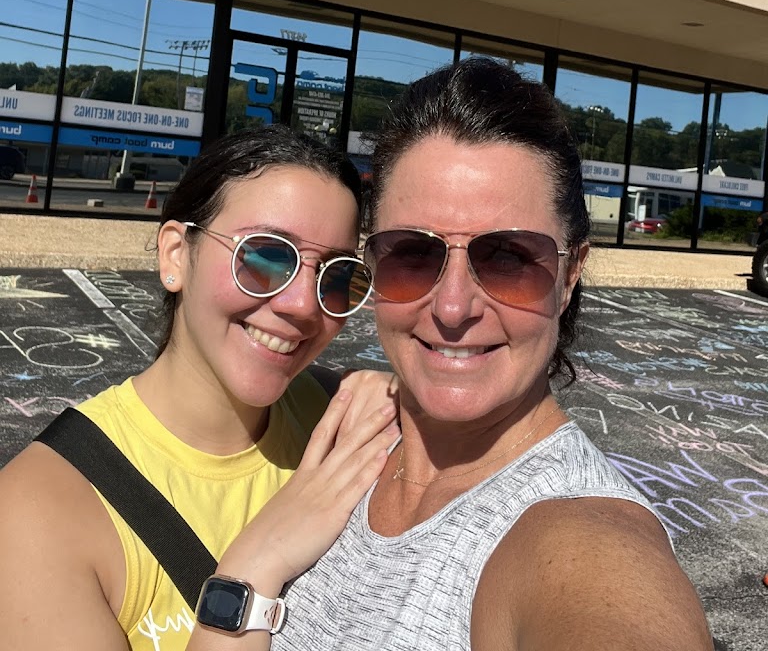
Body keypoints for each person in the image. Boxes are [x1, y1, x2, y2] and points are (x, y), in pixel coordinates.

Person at [182, 57, 712, 650]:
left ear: (568, 276)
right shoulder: (345, 428)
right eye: (413, 253)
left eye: (508, 258)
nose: (453, 307)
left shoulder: (578, 535)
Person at [0, 125, 399, 651]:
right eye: (265, 256)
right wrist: (256, 563)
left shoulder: (346, 419)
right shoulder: (39, 511)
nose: (303, 304)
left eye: (338, 276)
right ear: (175, 256)